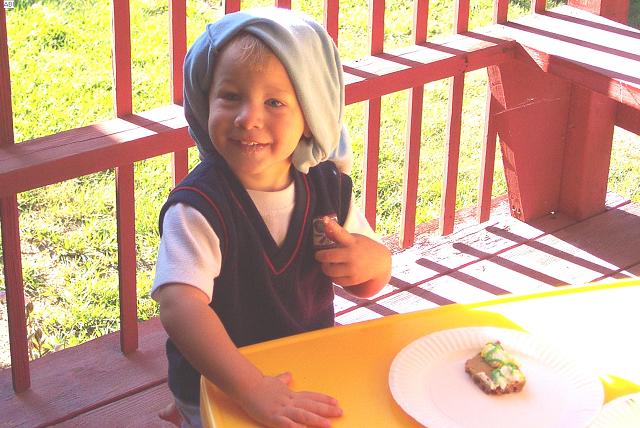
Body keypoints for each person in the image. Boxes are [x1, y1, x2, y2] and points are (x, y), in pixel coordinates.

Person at [151, 7, 392, 428]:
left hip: (305, 366)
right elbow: (179, 306)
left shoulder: (326, 188)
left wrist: (373, 263)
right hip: (222, 383)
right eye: (230, 96)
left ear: (310, 117)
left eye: (274, 102)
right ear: (205, 102)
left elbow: (366, 283)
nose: (248, 118)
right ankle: (187, 411)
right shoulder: (199, 206)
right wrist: (251, 388)